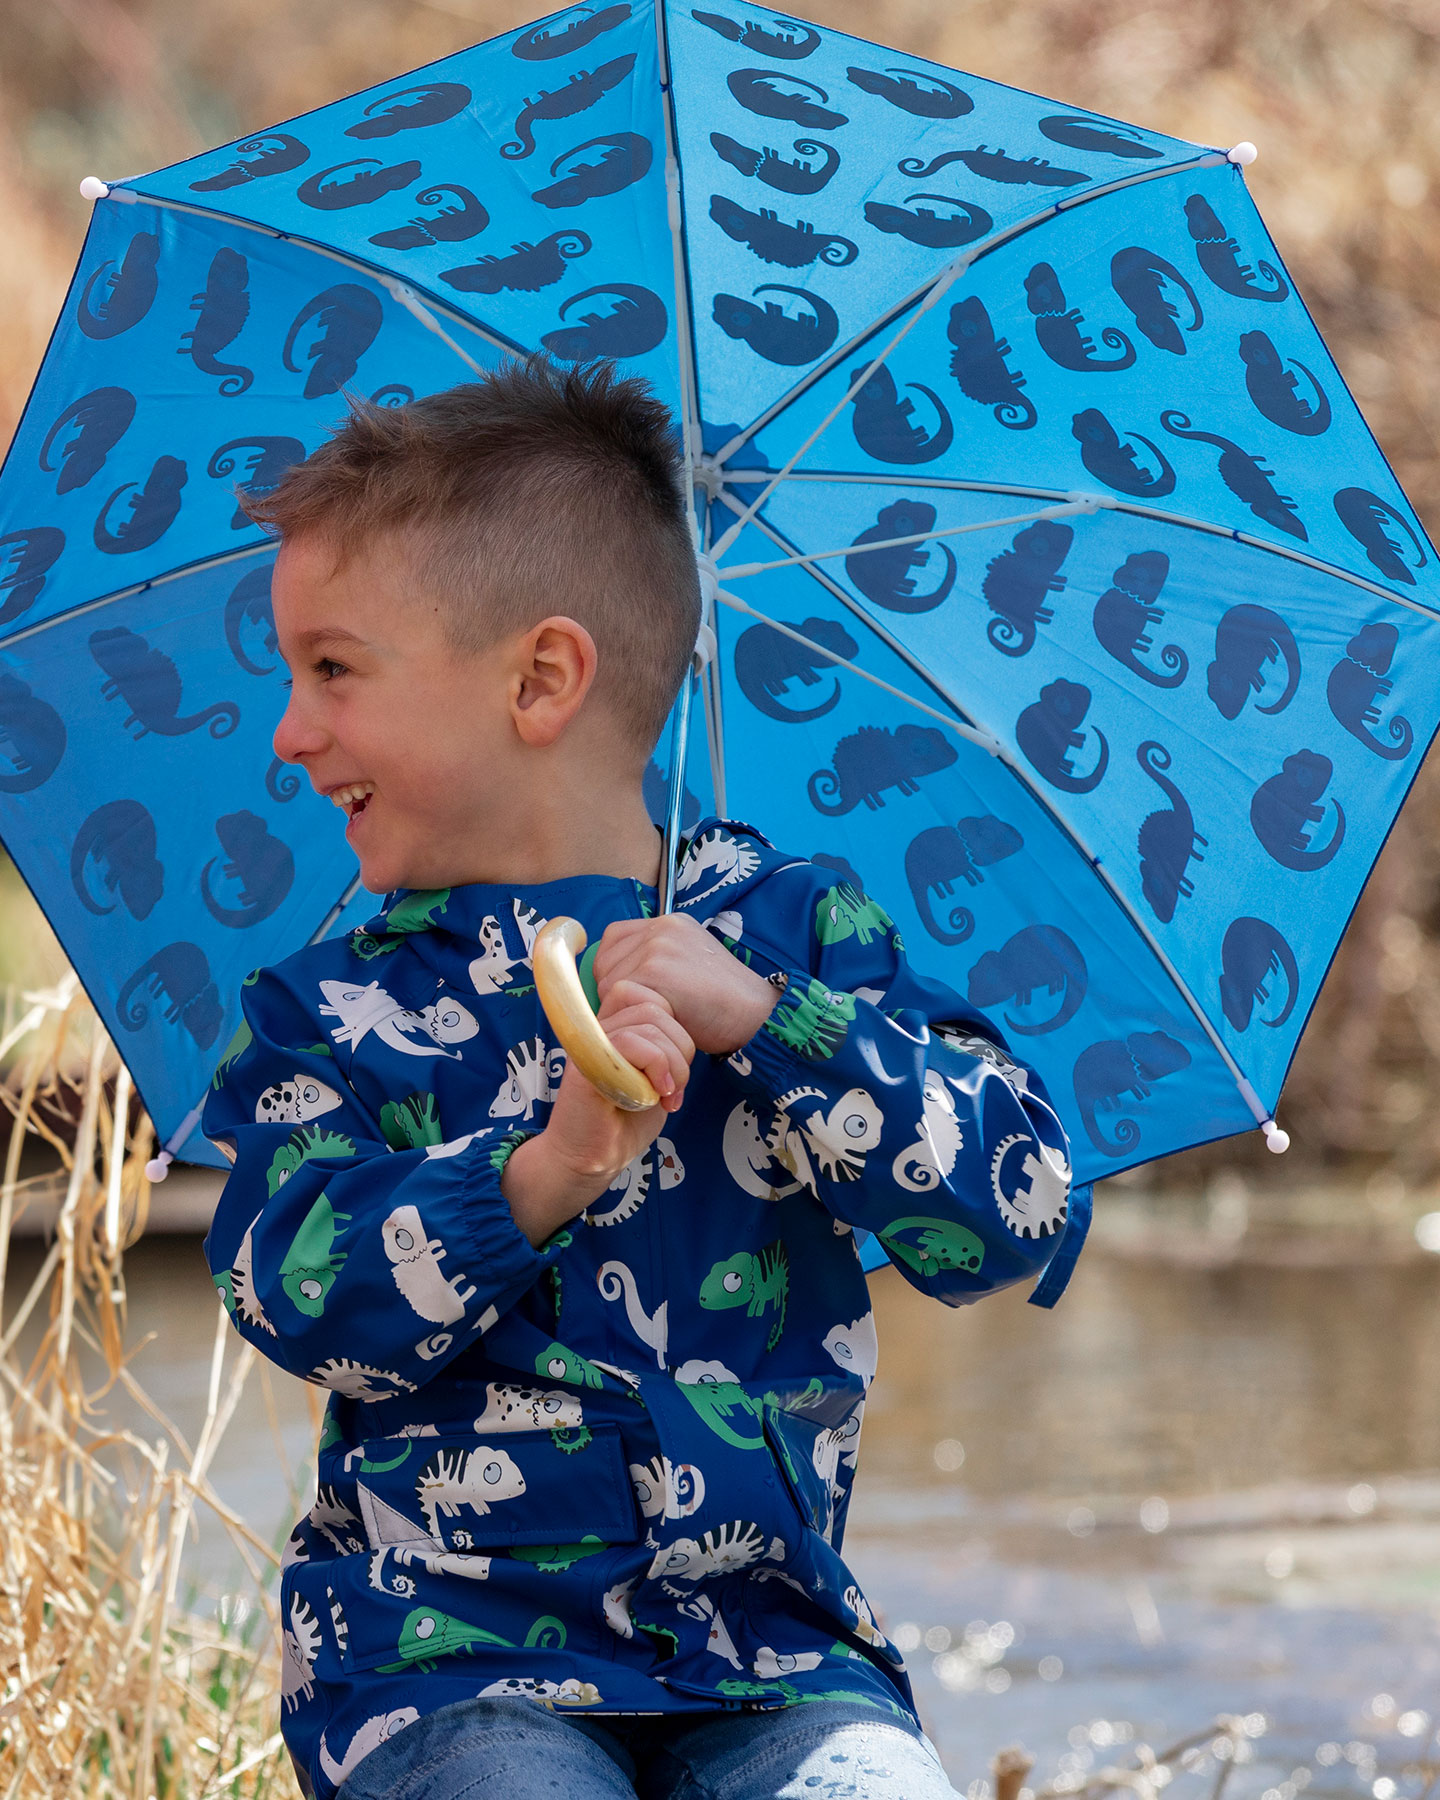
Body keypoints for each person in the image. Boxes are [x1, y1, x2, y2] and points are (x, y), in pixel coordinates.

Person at [202, 356, 1077, 1800]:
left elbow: (1017, 1212)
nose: (290, 730)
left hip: (775, 1663)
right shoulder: (334, 1010)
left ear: (541, 678)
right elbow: (294, 1302)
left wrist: (771, 1023)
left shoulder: (787, 933)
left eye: (332, 669)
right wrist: (537, 1172)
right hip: (451, 1677)